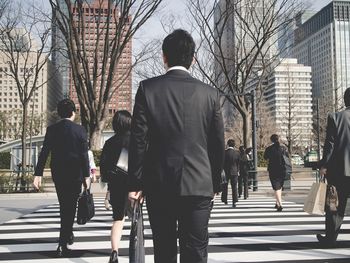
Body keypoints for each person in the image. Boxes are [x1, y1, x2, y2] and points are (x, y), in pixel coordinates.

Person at [128, 29, 225, 263]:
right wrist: (215, 181)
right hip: (199, 183)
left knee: (164, 250)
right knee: (196, 250)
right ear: (193, 59)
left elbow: (138, 140)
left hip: (159, 182)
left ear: (164, 57)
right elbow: (217, 143)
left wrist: (135, 182)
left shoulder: (147, 89)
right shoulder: (210, 94)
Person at [33, 99, 90, 257]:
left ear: (59, 113)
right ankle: (62, 242)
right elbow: (84, 156)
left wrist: (37, 174)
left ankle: (67, 234)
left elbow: (44, 153)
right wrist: (87, 176)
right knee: (70, 207)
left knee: (64, 206)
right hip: (75, 174)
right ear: (73, 112)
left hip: (58, 173)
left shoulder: (52, 129)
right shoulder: (80, 130)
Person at [317, 87, 350, 247]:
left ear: (345, 100)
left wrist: (324, 165)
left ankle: (330, 239)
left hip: (339, 172)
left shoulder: (335, 117)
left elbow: (329, 146)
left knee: (334, 206)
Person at [100, 110, 132, 263]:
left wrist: (108, 187)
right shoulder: (135, 140)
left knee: (118, 219)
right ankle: (135, 248)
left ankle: (114, 252)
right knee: (136, 218)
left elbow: (104, 168)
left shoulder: (109, 143)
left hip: (116, 185)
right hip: (134, 185)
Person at [264, 134, 288, 212]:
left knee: (276, 187)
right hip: (282, 169)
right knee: (279, 187)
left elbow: (265, 157)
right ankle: (277, 202)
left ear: (271, 140)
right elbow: (287, 157)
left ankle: (280, 204)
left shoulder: (269, 148)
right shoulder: (283, 148)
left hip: (273, 169)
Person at [222, 139, 240, 207]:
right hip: (234, 171)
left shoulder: (224, 152)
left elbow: (222, 162)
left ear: (228, 144)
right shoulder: (237, 153)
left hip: (226, 171)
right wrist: (238, 171)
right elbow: (238, 163)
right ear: (234, 145)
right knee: (234, 187)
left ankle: (225, 199)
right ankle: (234, 201)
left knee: (225, 186)